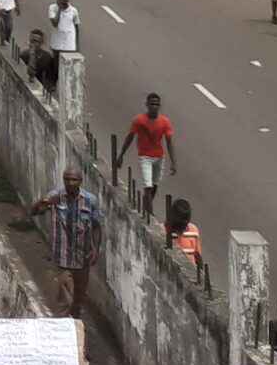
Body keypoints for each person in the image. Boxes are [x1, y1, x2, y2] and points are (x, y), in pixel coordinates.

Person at [30, 170, 103, 316]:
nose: (70, 183)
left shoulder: (90, 200)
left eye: (74, 180)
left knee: (78, 299)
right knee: (67, 298)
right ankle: (65, 323)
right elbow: (34, 211)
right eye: (67, 179)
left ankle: (74, 323)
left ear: (80, 181)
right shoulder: (56, 197)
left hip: (83, 257)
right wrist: (43, 202)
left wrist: (96, 249)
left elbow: (96, 226)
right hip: (63, 257)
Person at [111, 97, 176, 216]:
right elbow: (129, 138)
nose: (154, 106)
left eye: (156, 104)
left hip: (159, 156)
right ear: (147, 104)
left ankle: (147, 205)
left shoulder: (164, 121)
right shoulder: (139, 120)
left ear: (159, 106)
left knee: (155, 184)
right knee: (148, 185)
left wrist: (173, 162)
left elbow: (169, 142)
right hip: (145, 157)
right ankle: (150, 214)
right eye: (152, 104)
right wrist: (121, 156)